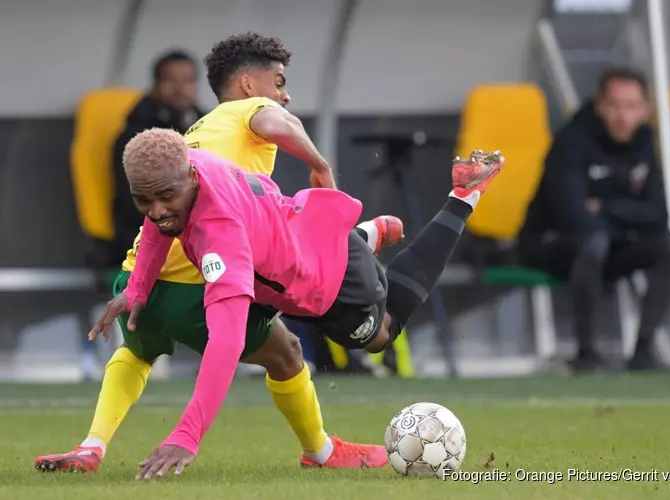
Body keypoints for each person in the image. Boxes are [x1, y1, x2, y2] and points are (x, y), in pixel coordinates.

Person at [34, 32, 400, 474]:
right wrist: (319, 163)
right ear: (248, 84)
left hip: (141, 274)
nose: (285, 95)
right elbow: (276, 123)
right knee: (286, 354)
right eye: (279, 82)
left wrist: (137, 285)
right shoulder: (250, 111)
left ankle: (92, 447)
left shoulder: (191, 135)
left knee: (136, 350)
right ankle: (321, 452)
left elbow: (157, 218)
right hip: (202, 277)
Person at [90, 129, 502, 479]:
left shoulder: (220, 234)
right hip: (297, 232)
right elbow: (159, 221)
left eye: (164, 196)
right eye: (143, 200)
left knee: (381, 334)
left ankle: (461, 198)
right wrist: (138, 288)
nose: (156, 210)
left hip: (334, 284)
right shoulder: (183, 164)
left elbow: (226, 343)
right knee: (285, 325)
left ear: (190, 176)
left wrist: (186, 435)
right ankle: (359, 236)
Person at [518, 67, 670, 372]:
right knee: (593, 243)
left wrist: (606, 207)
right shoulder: (571, 141)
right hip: (552, 246)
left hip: (613, 242)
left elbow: (659, 214)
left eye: (632, 106)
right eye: (615, 105)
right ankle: (586, 354)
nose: (623, 116)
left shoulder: (644, 142)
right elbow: (573, 215)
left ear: (645, 110)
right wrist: (626, 219)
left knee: (669, 246)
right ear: (600, 106)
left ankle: (644, 352)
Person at [112, 50, 206, 263]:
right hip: (146, 239)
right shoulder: (133, 135)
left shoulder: (211, 127)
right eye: (170, 80)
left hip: (202, 236)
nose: (180, 89)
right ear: (155, 85)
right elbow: (132, 202)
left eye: (188, 81)